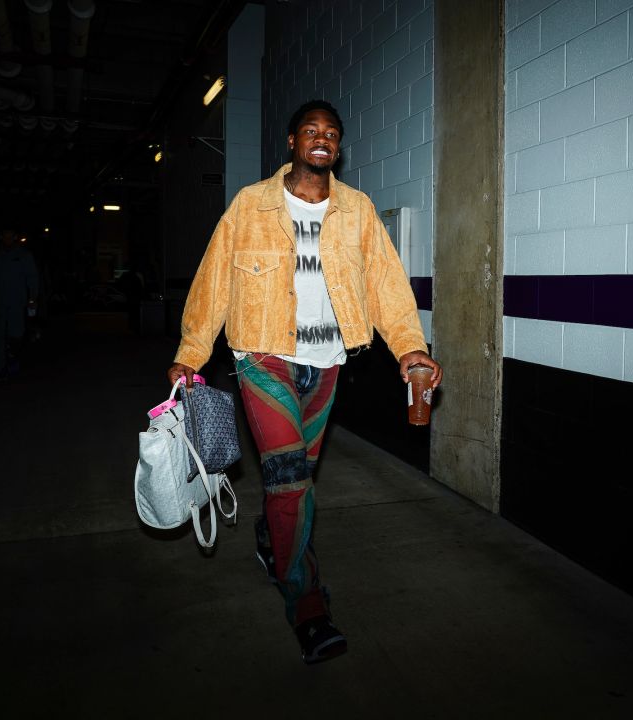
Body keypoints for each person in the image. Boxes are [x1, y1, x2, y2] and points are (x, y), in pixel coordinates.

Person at [167, 99, 442, 664]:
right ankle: (306, 602)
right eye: (311, 131)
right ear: (292, 141)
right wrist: (191, 355)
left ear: (338, 147)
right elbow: (214, 282)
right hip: (262, 355)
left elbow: (387, 285)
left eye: (332, 133)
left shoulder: (358, 210)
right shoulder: (250, 206)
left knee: (292, 476)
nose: (322, 139)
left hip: (329, 360)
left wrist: (411, 347)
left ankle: (272, 540)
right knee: (291, 480)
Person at [0, 229, 39, 379]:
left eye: (10, 235)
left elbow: (32, 279)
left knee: (16, 334)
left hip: (16, 304)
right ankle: (1, 367)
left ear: (15, 237)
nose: (7, 238)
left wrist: (32, 299)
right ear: (1, 236)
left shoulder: (24, 255)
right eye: (4, 235)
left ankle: (13, 357)